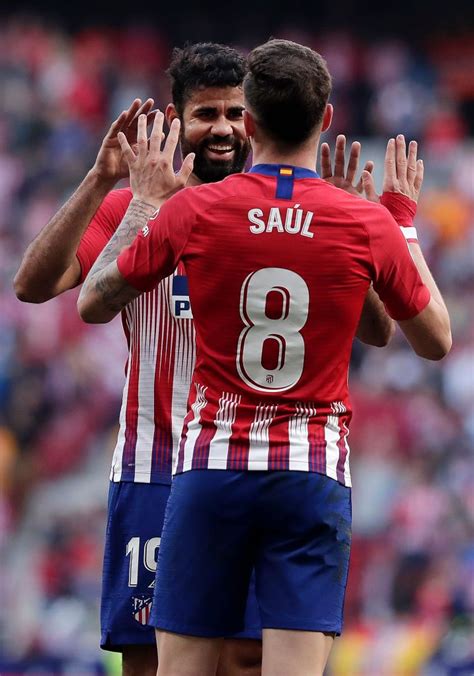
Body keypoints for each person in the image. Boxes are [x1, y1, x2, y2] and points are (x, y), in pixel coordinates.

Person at [16, 41, 394, 676]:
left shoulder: (289, 215)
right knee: (149, 660)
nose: (220, 129)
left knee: (249, 658)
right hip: (154, 466)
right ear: (176, 119)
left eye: (231, 113)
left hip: (249, 463)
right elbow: (33, 285)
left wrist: (349, 225)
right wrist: (104, 176)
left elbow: (374, 328)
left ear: (253, 120)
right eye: (204, 115)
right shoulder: (136, 208)